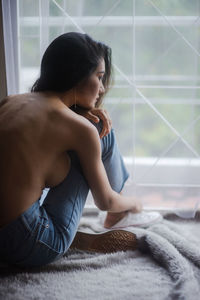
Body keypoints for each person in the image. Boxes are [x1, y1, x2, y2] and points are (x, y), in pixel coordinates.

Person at [0, 32, 158, 268]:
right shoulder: (80, 129)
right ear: (78, 76)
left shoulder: (10, 101)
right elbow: (104, 201)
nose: (102, 88)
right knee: (100, 130)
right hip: (31, 243)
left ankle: (76, 225)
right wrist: (137, 203)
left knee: (84, 139)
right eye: (100, 77)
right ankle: (123, 213)